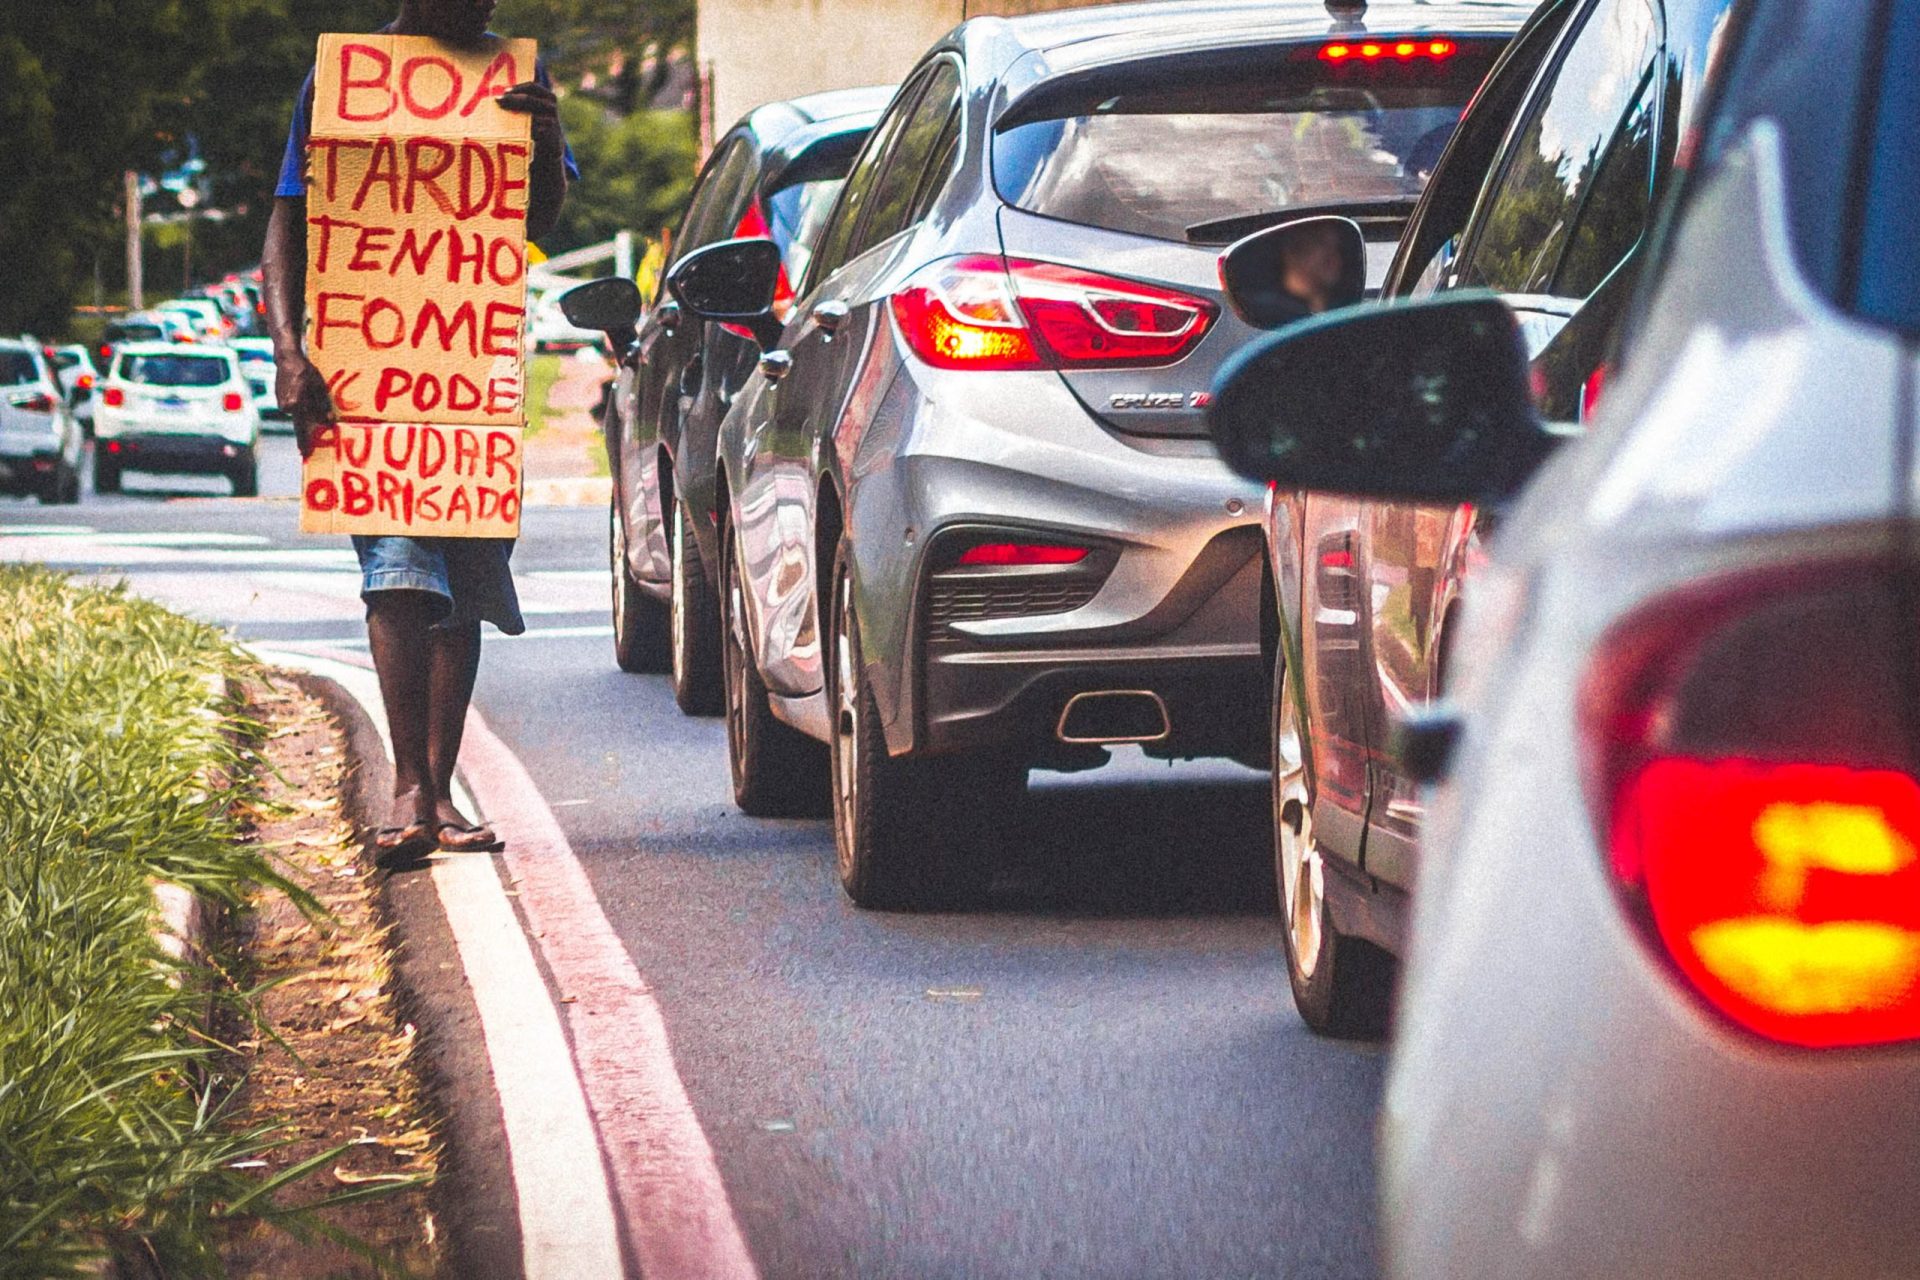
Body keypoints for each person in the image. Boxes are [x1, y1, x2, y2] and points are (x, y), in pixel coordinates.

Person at [261, 0, 577, 864]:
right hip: (367, 374)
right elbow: (290, 217)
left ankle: (437, 791)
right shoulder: (340, 78)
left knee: (464, 587)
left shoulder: (515, 76)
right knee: (399, 576)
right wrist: (290, 351)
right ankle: (406, 789)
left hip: (467, 371)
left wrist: (545, 140)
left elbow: (535, 222)